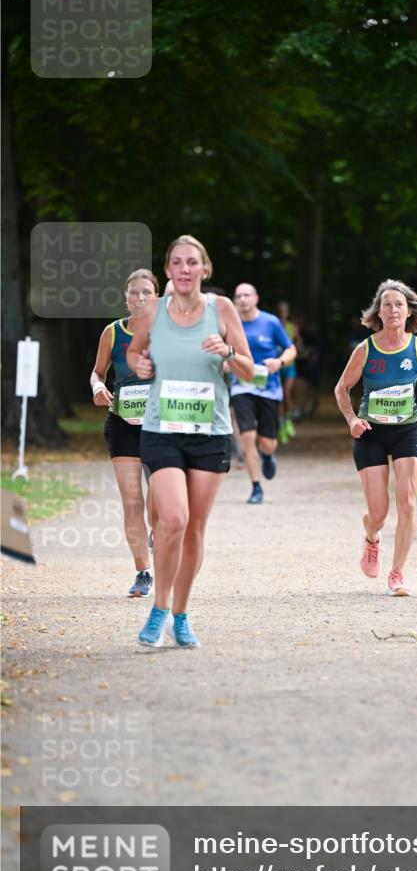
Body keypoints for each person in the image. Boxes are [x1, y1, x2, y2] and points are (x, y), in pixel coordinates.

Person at [127, 235, 254, 649]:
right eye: (177, 262)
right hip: (162, 430)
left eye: (192, 262)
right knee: (174, 519)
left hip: (210, 433)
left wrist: (228, 351)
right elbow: (134, 353)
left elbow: (250, 371)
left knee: (195, 529)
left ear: (205, 269)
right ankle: (159, 607)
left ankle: (180, 614)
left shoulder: (222, 310)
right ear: (167, 270)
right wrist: (140, 364)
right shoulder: (151, 311)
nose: (184, 269)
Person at [334, 279, 417, 596]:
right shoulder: (366, 348)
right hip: (370, 434)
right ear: (378, 312)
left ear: (409, 311)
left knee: (408, 503)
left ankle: (397, 574)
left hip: (406, 431)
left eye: (399, 304)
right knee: (379, 512)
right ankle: (371, 538)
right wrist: (352, 419)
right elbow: (341, 389)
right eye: (387, 304)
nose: (393, 309)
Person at [90, 268, 158, 597]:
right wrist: (97, 388)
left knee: (160, 502)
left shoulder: (168, 332)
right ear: (126, 297)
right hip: (122, 423)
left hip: (162, 424)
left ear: (156, 297)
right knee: (133, 503)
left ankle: (159, 532)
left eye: (147, 292)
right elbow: (97, 373)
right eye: (134, 293)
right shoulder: (112, 333)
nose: (140, 298)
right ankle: (143, 572)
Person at [230, 283, 297, 504]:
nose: (242, 299)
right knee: (247, 436)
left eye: (247, 295)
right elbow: (219, 353)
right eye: (238, 296)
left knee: (267, 442)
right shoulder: (230, 324)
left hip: (269, 389)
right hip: (241, 387)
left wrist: (279, 361)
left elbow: (291, 349)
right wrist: (226, 364)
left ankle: (268, 455)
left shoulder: (270, 322)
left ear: (256, 298)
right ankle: (256, 487)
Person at [277, 300, 300, 443]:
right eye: (280, 310)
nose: (282, 312)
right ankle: (282, 424)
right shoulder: (274, 325)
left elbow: (298, 343)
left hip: (290, 365)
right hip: (277, 365)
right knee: (280, 396)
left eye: (285, 310)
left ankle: (289, 419)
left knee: (287, 393)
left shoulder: (293, 327)